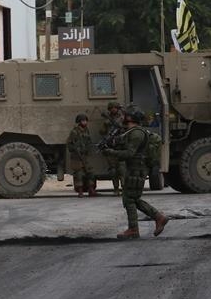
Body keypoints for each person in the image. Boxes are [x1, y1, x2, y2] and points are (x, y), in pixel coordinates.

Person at [101, 108, 169, 239]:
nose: (123, 118)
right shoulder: (134, 132)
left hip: (136, 169)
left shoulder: (136, 133)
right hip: (136, 169)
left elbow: (129, 153)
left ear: (130, 118)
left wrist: (110, 152)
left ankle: (135, 228)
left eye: (126, 116)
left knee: (129, 199)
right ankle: (157, 218)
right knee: (132, 198)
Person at [66, 113, 97, 198]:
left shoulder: (86, 130)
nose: (85, 122)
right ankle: (80, 191)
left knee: (90, 172)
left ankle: (91, 189)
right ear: (79, 122)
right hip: (77, 157)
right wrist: (75, 150)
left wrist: (88, 149)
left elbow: (89, 141)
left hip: (85, 155)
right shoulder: (74, 132)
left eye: (86, 121)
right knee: (79, 174)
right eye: (83, 121)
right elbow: (69, 144)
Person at [100, 101, 126, 196]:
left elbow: (127, 128)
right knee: (113, 170)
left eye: (114, 108)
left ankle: (124, 188)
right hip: (111, 147)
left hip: (121, 147)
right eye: (111, 108)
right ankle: (116, 189)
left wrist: (120, 127)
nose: (113, 110)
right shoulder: (107, 119)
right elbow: (102, 132)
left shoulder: (123, 117)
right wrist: (106, 125)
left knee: (122, 169)